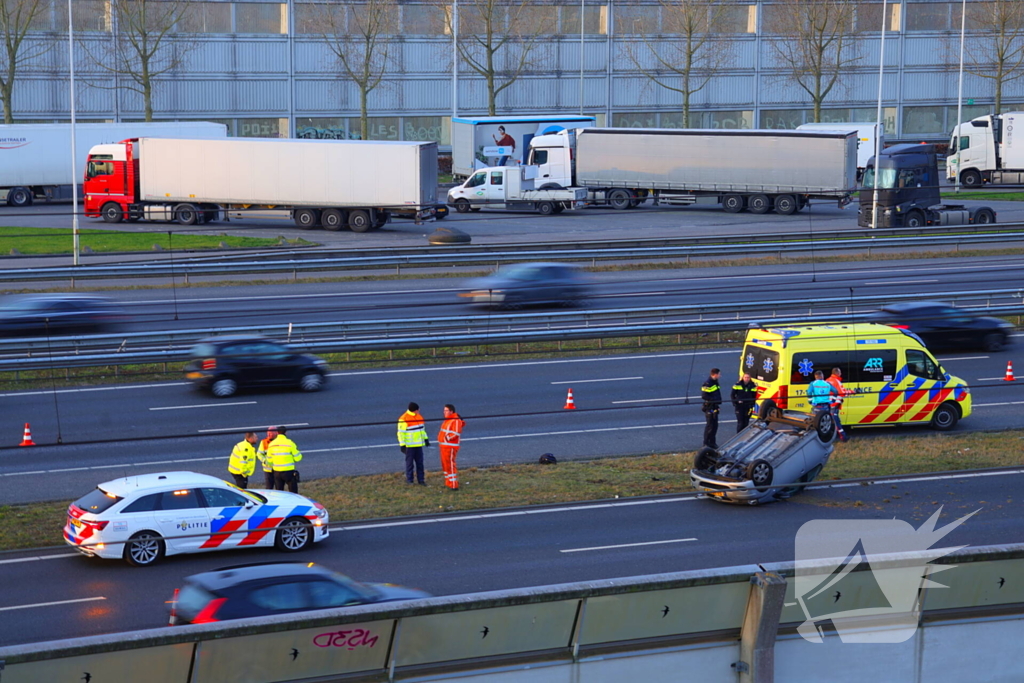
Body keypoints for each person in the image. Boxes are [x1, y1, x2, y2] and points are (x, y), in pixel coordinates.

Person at [397, 402, 428, 485]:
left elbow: (422, 430)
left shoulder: (419, 417)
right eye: (418, 410)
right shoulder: (404, 418)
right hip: (409, 446)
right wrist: (402, 444)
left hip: (418, 445)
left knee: (420, 463)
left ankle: (421, 480)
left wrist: (426, 439)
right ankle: (410, 480)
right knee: (410, 464)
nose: (419, 411)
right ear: (415, 410)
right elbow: (400, 433)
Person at [267, 425, 302, 493]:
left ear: (277, 433)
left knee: (279, 492)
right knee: (293, 492)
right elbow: (298, 458)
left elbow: (269, 460)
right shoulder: (290, 443)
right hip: (288, 471)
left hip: (277, 472)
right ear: (286, 433)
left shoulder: (272, 444)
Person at [438, 404, 465, 490]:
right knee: (445, 464)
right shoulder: (448, 420)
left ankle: (453, 484)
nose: (444, 412)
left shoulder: (455, 420)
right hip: (444, 446)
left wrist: (447, 438)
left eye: (446, 410)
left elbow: (456, 432)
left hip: (450, 446)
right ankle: (448, 482)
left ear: (451, 411)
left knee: (450, 464)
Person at [825, 367, 851, 442]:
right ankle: (843, 437)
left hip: (828, 404)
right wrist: (852, 391)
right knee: (836, 422)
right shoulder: (837, 381)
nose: (841, 374)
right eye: (840, 372)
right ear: (837, 373)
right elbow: (842, 393)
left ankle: (841, 436)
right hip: (834, 404)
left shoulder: (827, 380)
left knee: (833, 421)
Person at [701, 368, 722, 449]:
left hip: (714, 407)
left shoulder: (715, 382)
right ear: (715, 374)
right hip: (709, 407)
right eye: (719, 374)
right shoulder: (708, 383)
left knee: (715, 426)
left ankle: (712, 443)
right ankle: (706, 443)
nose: (720, 376)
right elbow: (704, 395)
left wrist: (717, 405)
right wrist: (714, 401)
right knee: (709, 426)